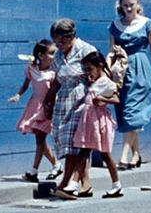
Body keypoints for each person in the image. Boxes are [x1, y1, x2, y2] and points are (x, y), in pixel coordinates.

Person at [108, 0, 151, 170]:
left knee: (133, 111)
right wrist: (106, 71)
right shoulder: (115, 26)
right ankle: (136, 154)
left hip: (141, 69)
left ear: (137, 3)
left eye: (131, 5)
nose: (128, 9)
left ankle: (124, 156)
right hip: (122, 71)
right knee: (126, 113)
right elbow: (111, 51)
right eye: (125, 6)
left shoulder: (148, 24)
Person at [42, 19, 96, 199]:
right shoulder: (58, 55)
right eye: (56, 41)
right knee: (65, 141)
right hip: (64, 101)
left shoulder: (86, 50)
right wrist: (47, 99)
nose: (59, 45)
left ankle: (67, 182)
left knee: (75, 143)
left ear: (72, 36)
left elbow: (100, 72)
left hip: (82, 100)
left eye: (62, 41)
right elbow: (57, 80)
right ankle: (85, 184)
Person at [67, 51, 124, 199]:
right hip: (89, 121)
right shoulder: (95, 80)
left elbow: (116, 99)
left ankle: (117, 185)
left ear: (99, 66)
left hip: (99, 122)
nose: (87, 73)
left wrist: (99, 98)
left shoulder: (106, 82)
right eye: (85, 70)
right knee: (83, 152)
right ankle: (73, 184)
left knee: (105, 154)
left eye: (90, 69)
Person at [8, 39, 63, 182]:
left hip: (48, 107)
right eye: (51, 53)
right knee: (40, 140)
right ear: (41, 55)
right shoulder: (31, 69)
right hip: (34, 105)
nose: (54, 56)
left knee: (40, 139)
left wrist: (51, 107)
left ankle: (33, 171)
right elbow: (25, 85)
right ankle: (56, 165)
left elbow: (56, 90)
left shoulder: (54, 72)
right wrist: (18, 95)